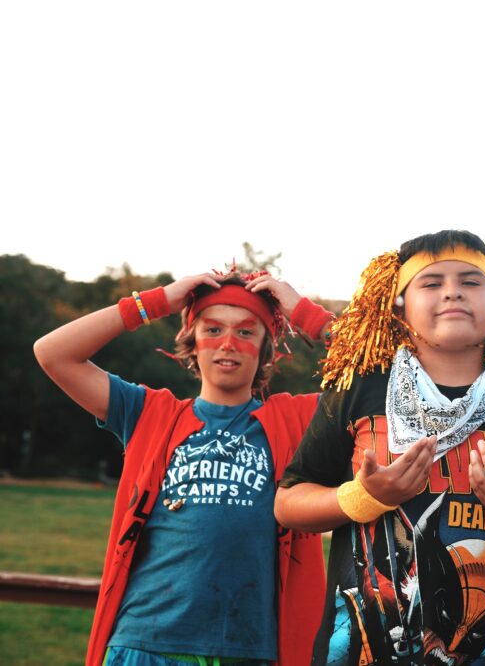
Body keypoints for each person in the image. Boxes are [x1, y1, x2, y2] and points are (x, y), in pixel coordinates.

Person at [274, 230, 485, 666]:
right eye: (431, 283)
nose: (452, 291)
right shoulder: (358, 389)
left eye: (471, 282)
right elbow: (287, 504)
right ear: (398, 303)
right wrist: (365, 497)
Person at [34, 270, 336, 666]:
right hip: (144, 644)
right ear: (192, 341)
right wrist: (156, 302)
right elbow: (52, 352)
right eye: (212, 330)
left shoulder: (296, 420)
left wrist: (301, 311)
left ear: (266, 351)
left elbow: (390, 374)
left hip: (248, 649)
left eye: (246, 333)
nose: (228, 343)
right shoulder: (149, 414)